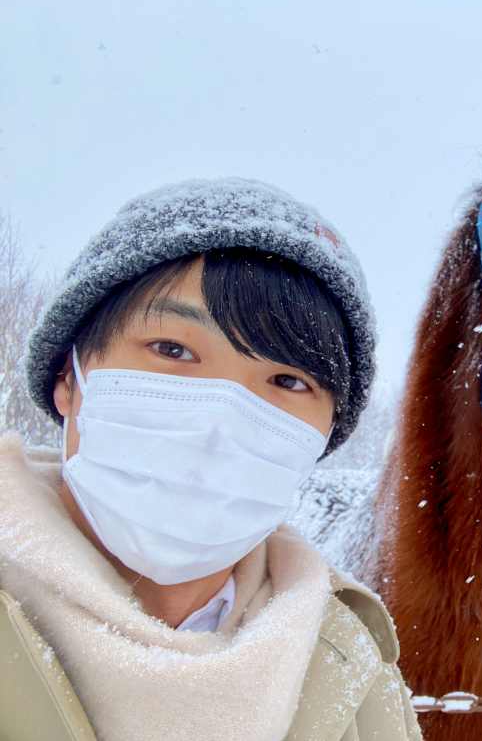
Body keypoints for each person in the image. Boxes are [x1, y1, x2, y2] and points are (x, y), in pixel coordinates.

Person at [0, 178, 421, 741]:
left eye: (287, 380)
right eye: (173, 350)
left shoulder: (351, 665)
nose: (225, 419)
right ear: (68, 381)